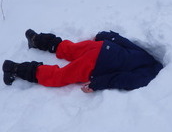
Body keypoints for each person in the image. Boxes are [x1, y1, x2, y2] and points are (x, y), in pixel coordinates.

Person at [2, 30, 163, 93]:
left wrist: (104, 36)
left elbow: (127, 43)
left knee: (69, 49)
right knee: (60, 76)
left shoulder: (148, 58)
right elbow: (122, 79)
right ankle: (15, 69)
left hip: (104, 47)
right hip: (97, 62)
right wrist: (96, 84)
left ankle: (38, 40)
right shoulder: (149, 77)